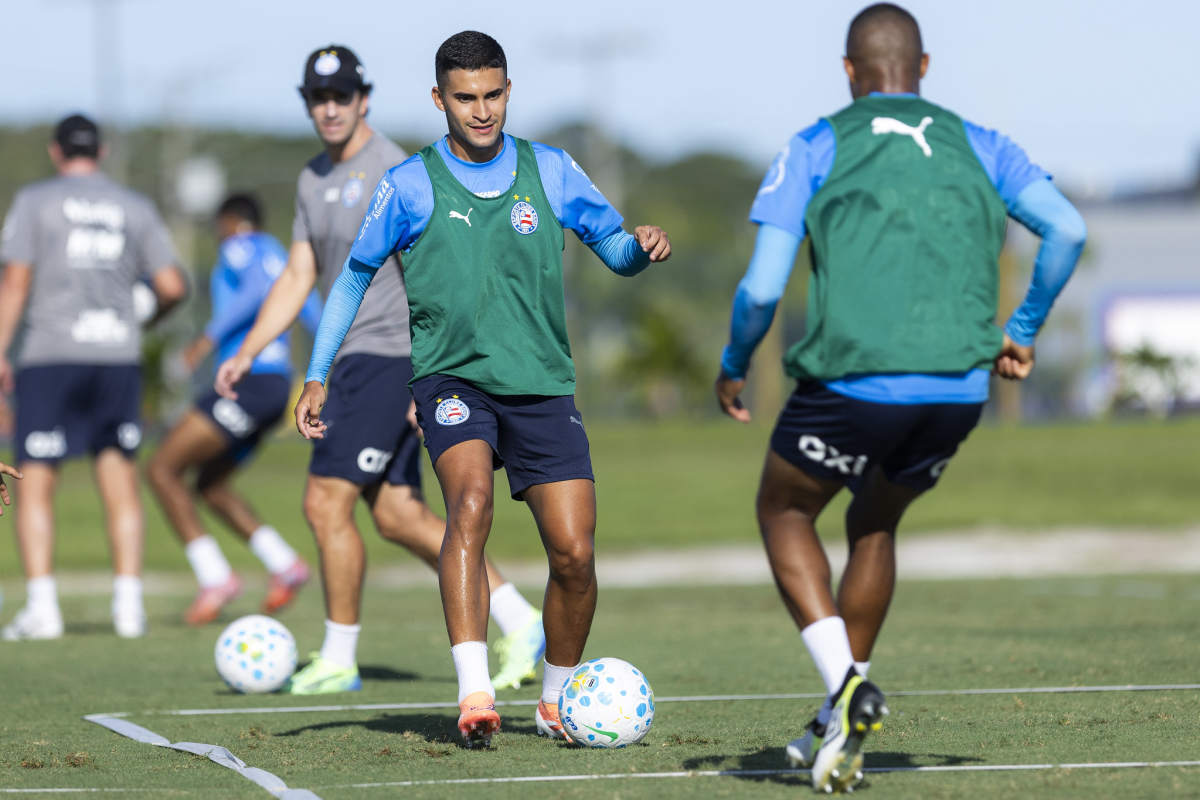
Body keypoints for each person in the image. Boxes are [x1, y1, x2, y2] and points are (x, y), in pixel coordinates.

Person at [714, 3, 1087, 792]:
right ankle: (833, 717)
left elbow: (760, 288)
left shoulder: (817, 143)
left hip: (855, 382)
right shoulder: (983, 144)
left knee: (784, 510)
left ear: (850, 73)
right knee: (873, 518)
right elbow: (1068, 231)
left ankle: (847, 690)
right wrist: (1019, 330)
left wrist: (735, 362)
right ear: (924, 69)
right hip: (958, 387)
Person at [296, 31, 672, 747]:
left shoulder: (551, 169)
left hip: (541, 384)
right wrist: (318, 372)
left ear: (508, 91)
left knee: (575, 555)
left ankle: (556, 699)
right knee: (468, 503)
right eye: (465, 98)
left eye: (493, 95)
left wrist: (641, 248)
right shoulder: (408, 185)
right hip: (451, 380)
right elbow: (351, 277)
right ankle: (475, 692)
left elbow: (614, 248)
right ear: (440, 99)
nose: (481, 111)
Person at [213, 45, 545, 694]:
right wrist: (248, 349)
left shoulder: (397, 167)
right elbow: (301, 273)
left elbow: (445, 273)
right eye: (317, 97)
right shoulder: (312, 180)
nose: (329, 108)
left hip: (393, 356)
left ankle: (339, 655)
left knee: (323, 501)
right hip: (355, 362)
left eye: (341, 96)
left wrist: (433, 374)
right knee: (395, 515)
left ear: (364, 99)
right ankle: (519, 617)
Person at [0, 114, 188, 640]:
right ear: (101, 152)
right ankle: (128, 609)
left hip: (50, 355)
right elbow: (172, 284)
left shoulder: (35, 201)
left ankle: (44, 609)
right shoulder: (135, 206)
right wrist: (139, 318)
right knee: (119, 477)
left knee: (36, 479)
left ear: (57, 152)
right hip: (116, 356)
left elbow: (15, 282)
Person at [146, 193, 321, 625]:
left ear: (233, 221)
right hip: (275, 386)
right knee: (211, 484)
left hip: (249, 383)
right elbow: (312, 311)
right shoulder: (282, 254)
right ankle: (285, 566)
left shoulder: (240, 244)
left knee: (162, 469)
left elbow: (259, 290)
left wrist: (206, 338)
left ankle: (215, 578)